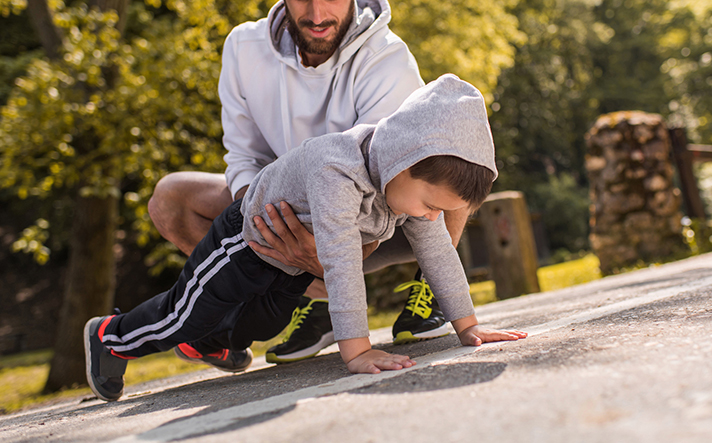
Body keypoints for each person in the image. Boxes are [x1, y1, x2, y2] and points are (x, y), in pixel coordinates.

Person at [84, 75, 527, 402]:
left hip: (290, 265)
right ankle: (110, 337)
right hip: (245, 243)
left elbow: (440, 254)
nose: (431, 216)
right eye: (431, 204)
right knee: (184, 316)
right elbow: (341, 263)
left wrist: (468, 326)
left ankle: (206, 341)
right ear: (402, 161)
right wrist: (358, 351)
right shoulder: (338, 169)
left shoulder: (407, 187)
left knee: (261, 328)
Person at [148, 0, 472, 364]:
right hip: (290, 209)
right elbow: (244, 157)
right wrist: (266, 224)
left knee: (458, 157)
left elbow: (388, 179)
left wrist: (328, 256)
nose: (316, 16)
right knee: (170, 199)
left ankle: (433, 290)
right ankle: (311, 303)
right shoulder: (243, 46)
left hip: (377, 223)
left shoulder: (388, 58)